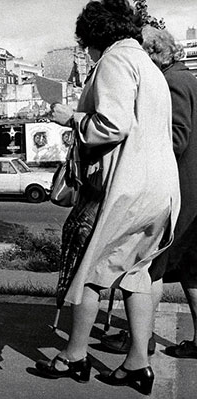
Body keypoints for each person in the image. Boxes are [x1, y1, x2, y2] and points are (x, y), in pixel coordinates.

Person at [33, 1, 180, 396]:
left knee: (90, 267)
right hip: (160, 189)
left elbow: (112, 125)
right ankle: (137, 363)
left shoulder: (115, 61)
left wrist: (71, 119)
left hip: (126, 187)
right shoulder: (149, 66)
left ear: (95, 37)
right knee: (135, 273)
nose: (86, 51)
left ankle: (74, 356)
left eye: (85, 43)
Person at [101, 26, 197, 359]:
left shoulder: (170, 84)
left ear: (154, 53)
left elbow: (176, 138)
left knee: (146, 266)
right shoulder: (189, 79)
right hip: (193, 194)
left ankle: (139, 343)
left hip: (180, 193)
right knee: (192, 270)